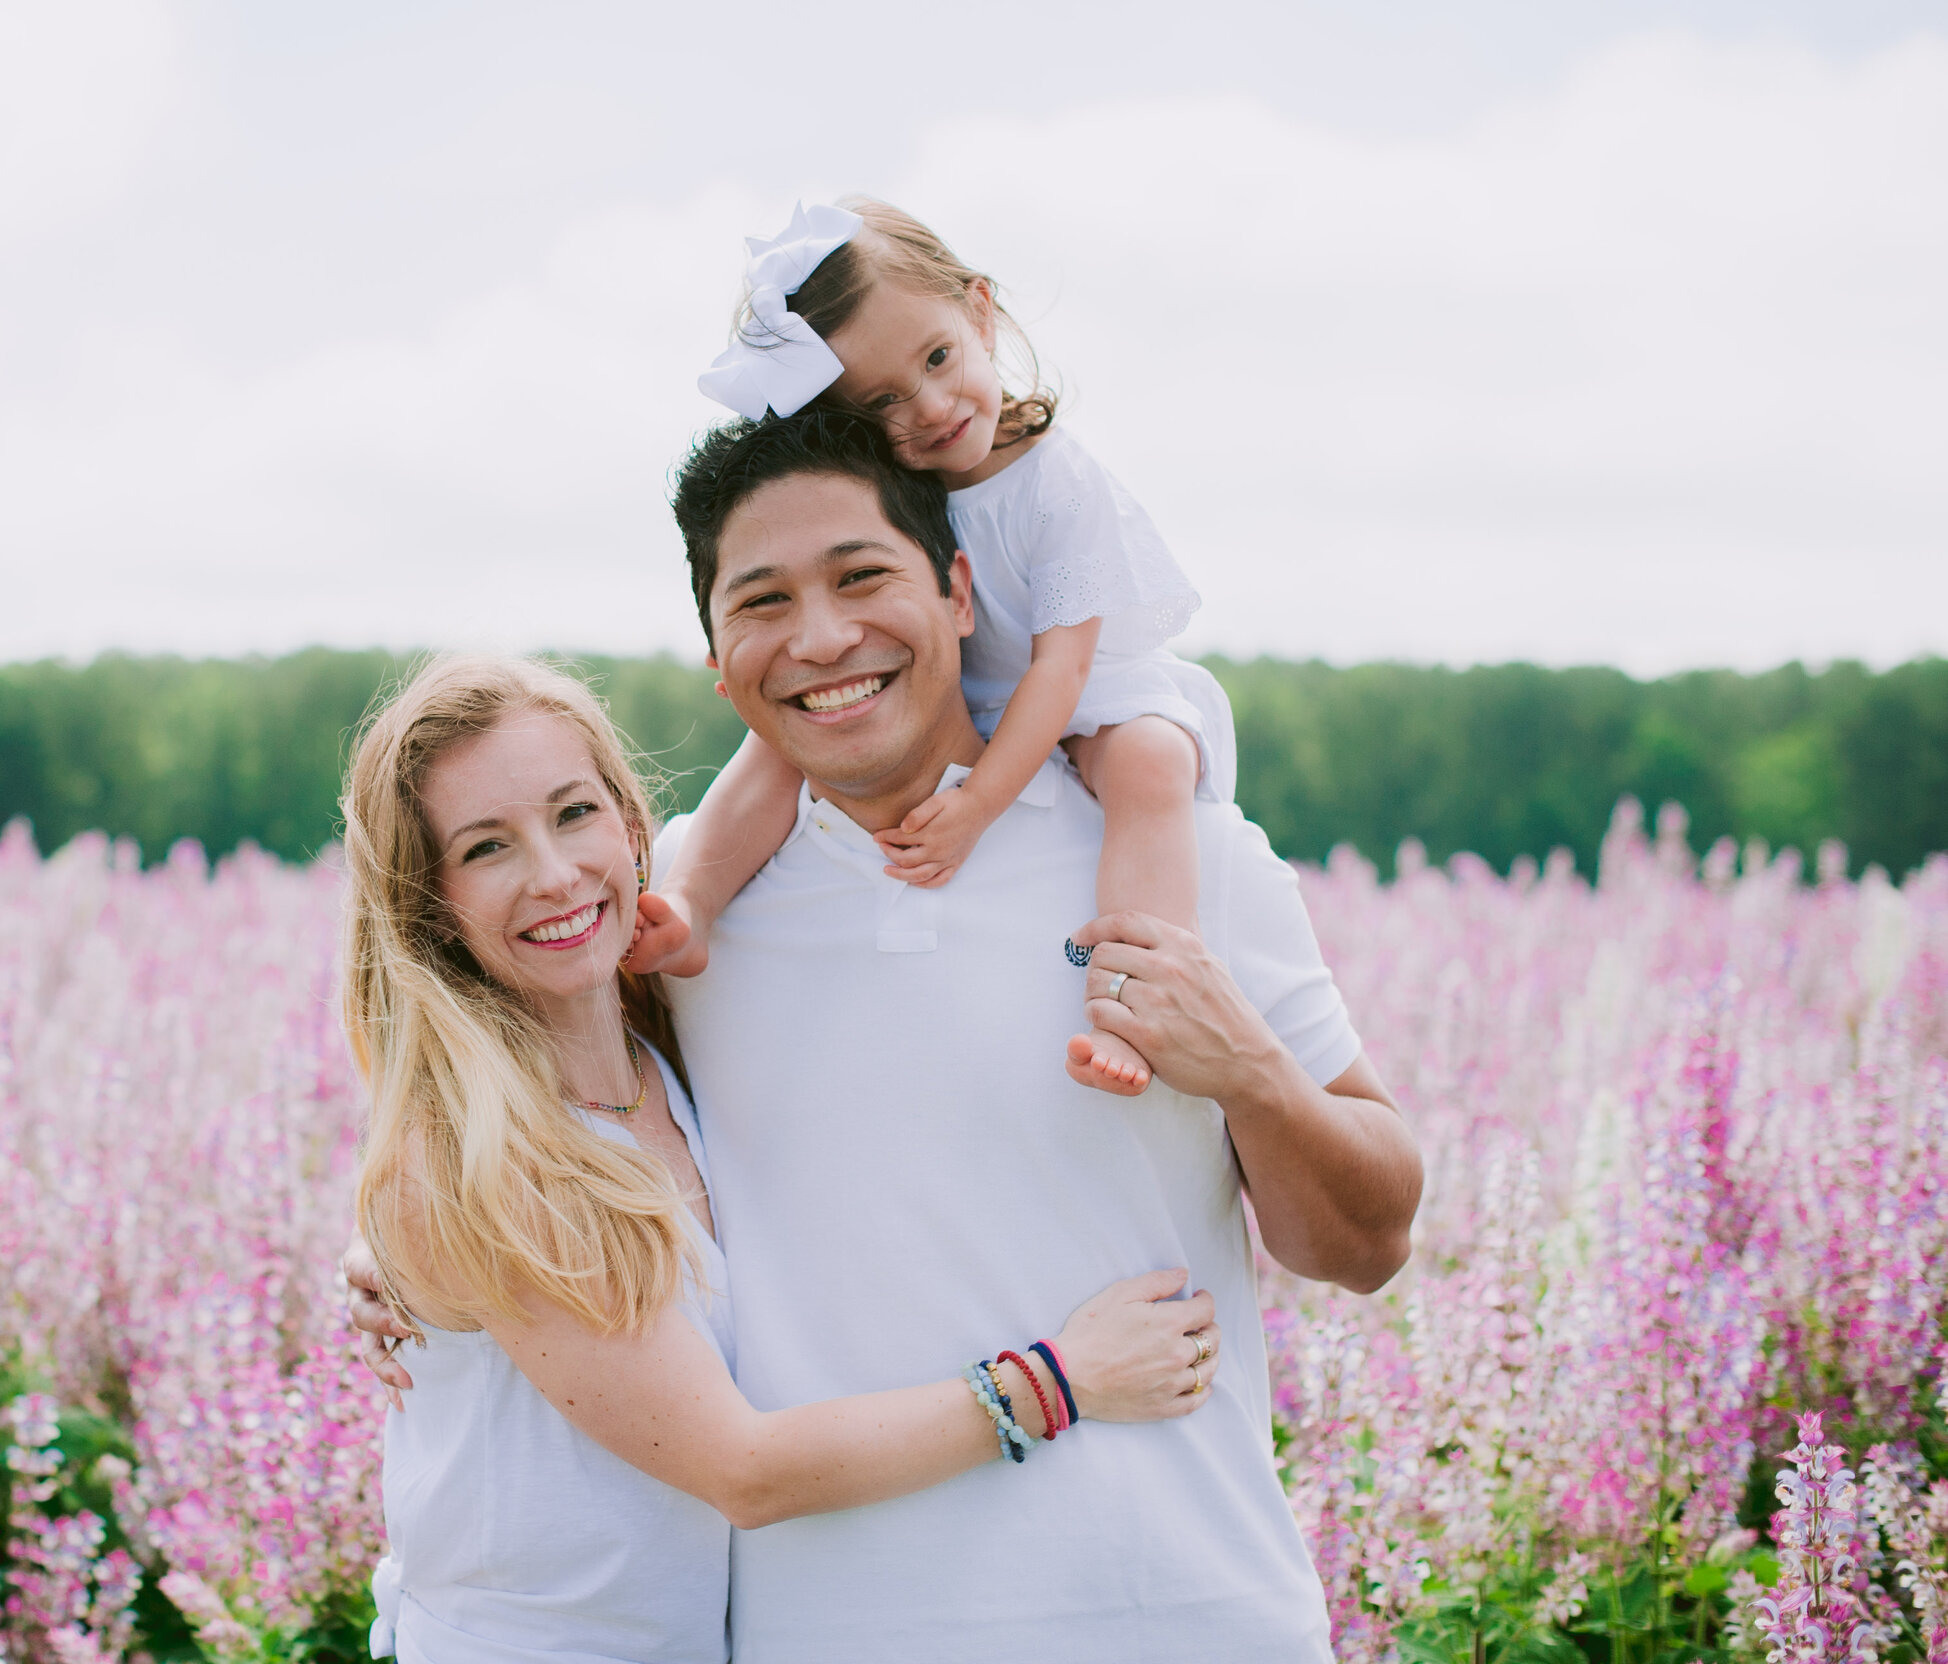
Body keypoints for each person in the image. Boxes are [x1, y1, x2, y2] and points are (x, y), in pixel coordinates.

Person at [352, 412, 1422, 1661]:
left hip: (1184, 1616)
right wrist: (410, 1253)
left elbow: (1369, 1239)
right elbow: (520, 1089)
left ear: (960, 592)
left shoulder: (1177, 864)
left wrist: (1249, 1073)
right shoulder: (688, 906)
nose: (821, 637)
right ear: (718, 656)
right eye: (762, 600)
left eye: (862, 575)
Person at [339, 653, 1239, 1664]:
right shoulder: (479, 1158)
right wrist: (1065, 1377)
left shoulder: (658, 1040)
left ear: (633, 825)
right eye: (487, 846)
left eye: (574, 812)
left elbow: (791, 729)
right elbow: (743, 1468)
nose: (554, 872)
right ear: (430, 903)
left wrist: (976, 662)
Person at [633, 199, 1221, 1098]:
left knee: (1147, 769)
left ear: (979, 311)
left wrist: (979, 804)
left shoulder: (1058, 482)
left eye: (940, 359)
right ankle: (690, 905)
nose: (934, 408)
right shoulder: (901, 489)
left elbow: (1060, 668)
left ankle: (1137, 1003)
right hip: (963, 693)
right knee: (774, 747)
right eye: (882, 403)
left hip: (1090, 698)